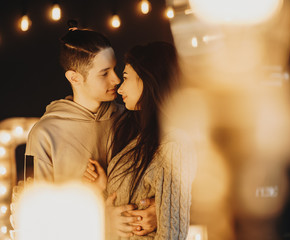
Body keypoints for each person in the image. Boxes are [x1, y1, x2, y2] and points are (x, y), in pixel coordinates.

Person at [24, 24, 157, 236]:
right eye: (104, 73)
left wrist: (157, 210)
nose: (116, 79)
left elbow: (169, 182)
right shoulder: (45, 134)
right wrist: (100, 220)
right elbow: (37, 223)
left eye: (115, 68)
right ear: (74, 78)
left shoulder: (131, 119)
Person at [84, 41, 197, 239]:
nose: (119, 88)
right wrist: (103, 189)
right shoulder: (136, 135)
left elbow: (172, 233)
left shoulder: (173, 145)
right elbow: (125, 207)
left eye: (126, 78)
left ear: (147, 80)